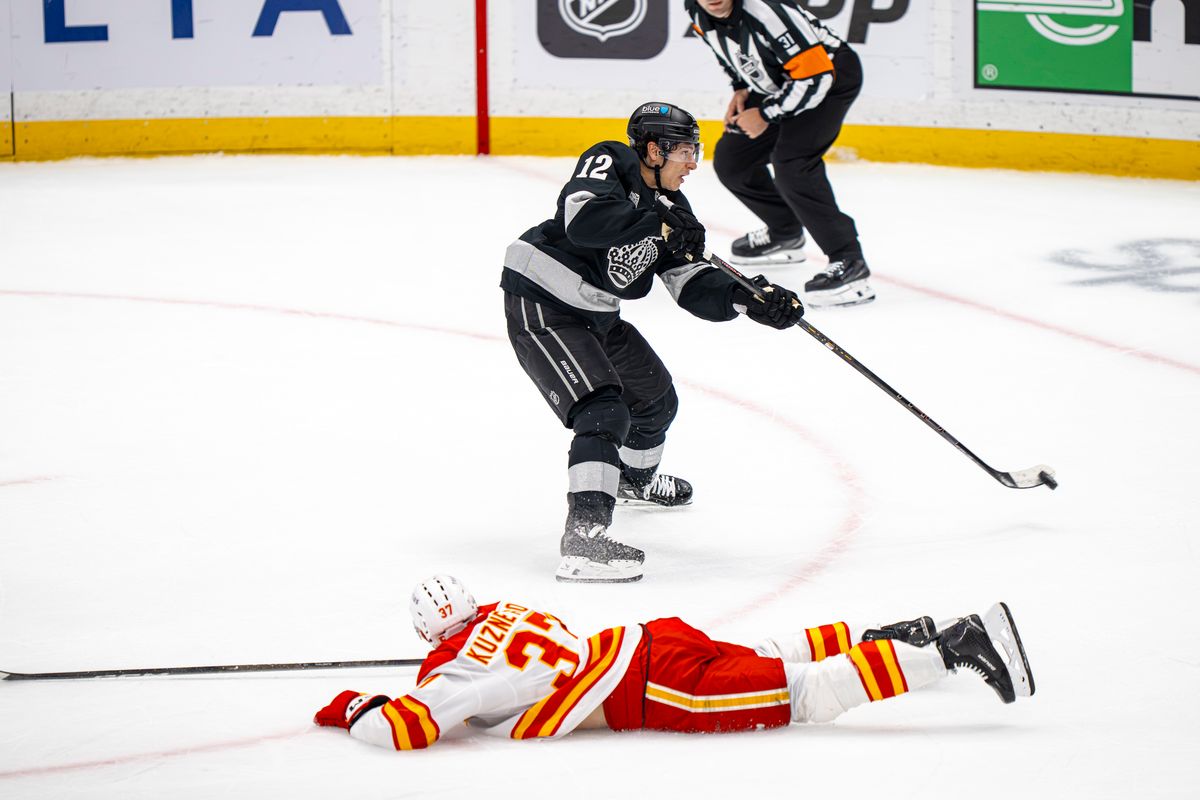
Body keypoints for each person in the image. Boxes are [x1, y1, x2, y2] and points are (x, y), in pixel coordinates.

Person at [499, 101, 806, 584]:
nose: (693, 163)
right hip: (543, 299)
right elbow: (585, 221)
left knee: (656, 402)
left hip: (597, 311)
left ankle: (631, 481)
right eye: (686, 151)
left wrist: (748, 300)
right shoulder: (610, 162)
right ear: (653, 150)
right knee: (603, 412)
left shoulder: (675, 210)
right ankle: (584, 540)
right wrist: (655, 224)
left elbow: (691, 285)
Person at [314, 575, 1036, 750]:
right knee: (773, 650)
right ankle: (895, 631)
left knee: (802, 695)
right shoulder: (511, 614)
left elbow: (403, 731)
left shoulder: (445, 675)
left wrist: (353, 707)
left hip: (650, 690)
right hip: (651, 639)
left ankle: (952, 649)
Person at [686, 0, 875, 308]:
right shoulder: (696, 11)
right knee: (733, 161)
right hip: (782, 83)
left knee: (793, 164)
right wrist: (741, 88)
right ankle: (785, 232)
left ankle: (849, 262)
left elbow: (816, 77)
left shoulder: (766, 12)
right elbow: (726, 53)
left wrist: (767, 114)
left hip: (829, 78)